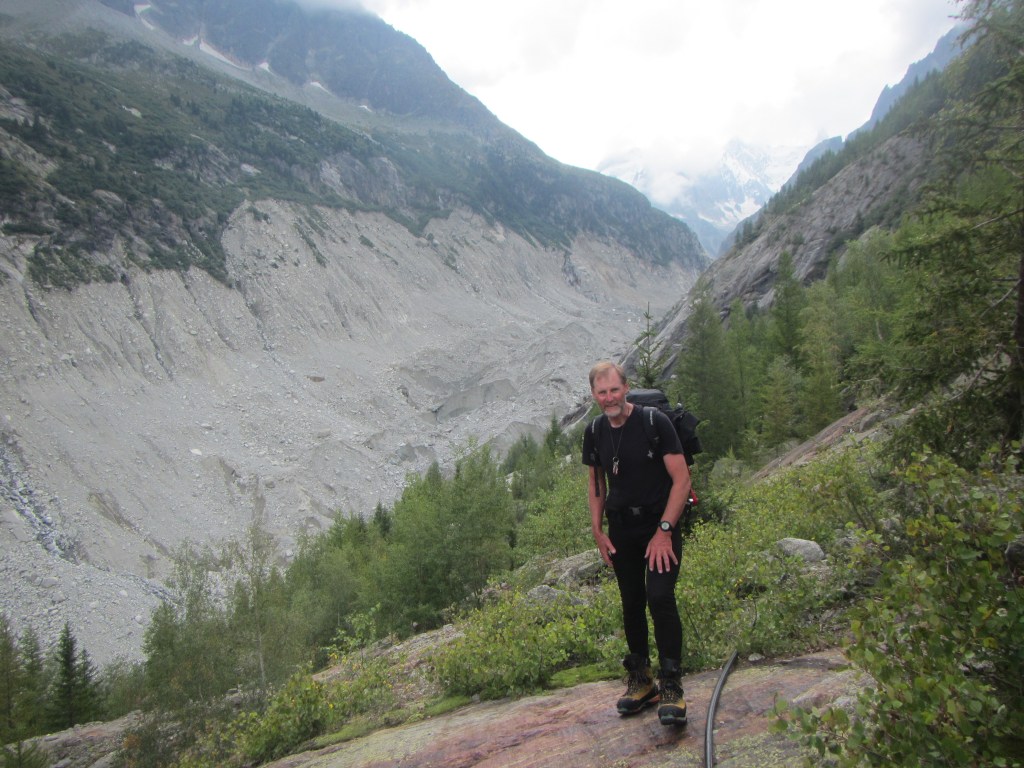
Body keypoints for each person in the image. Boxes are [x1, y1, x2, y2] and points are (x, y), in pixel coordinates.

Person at [582, 361, 691, 725]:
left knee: (659, 597)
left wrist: (664, 530)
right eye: (602, 392)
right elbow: (596, 484)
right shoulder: (595, 430)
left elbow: (682, 480)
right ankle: (642, 681)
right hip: (622, 529)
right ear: (594, 395)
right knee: (631, 602)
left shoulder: (652, 423)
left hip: (659, 523)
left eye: (614, 390)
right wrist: (598, 531)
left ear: (626, 387)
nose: (609, 398)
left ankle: (672, 685)